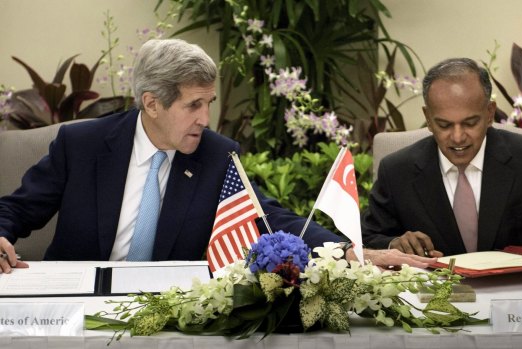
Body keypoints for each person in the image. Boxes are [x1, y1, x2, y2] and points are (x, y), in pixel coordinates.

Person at [0, 38, 435, 273]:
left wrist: (351, 252)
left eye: (209, 101)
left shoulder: (216, 155)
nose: (206, 118)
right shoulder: (82, 145)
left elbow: (272, 220)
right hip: (78, 300)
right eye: (194, 105)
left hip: (166, 312)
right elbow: (18, 210)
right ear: (152, 104)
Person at [361, 57, 522, 274]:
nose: (458, 137)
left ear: (489, 113)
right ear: (428, 118)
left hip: (517, 300)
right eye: (444, 125)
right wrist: (394, 243)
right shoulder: (397, 170)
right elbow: (368, 238)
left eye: (470, 122)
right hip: (429, 305)